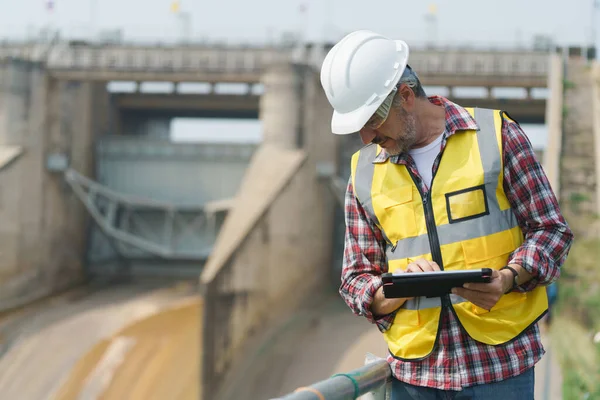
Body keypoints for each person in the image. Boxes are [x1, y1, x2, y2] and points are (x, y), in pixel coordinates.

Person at [319, 30, 573, 399]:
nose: (366, 136)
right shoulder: (363, 172)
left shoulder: (497, 135)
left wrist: (508, 277)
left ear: (405, 96)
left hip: (500, 369)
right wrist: (391, 290)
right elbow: (354, 278)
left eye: (372, 120)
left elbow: (551, 230)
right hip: (414, 379)